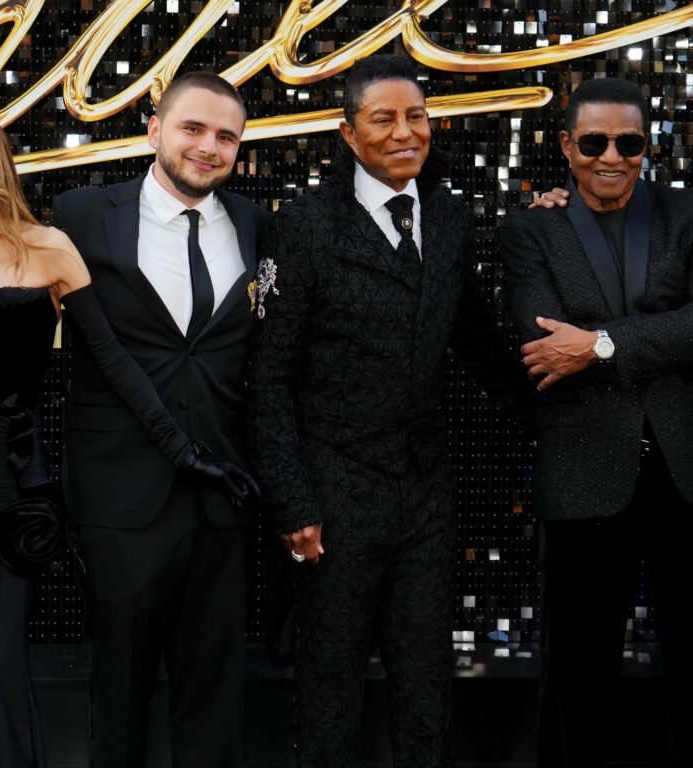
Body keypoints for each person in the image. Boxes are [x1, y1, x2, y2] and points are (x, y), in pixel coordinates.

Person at [0, 102, 254, 768]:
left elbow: (114, 362)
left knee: (1, 655)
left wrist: (185, 453)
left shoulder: (50, 248)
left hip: (10, 484)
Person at [245, 55, 531, 767]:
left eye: (417, 117)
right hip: (332, 496)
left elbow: (472, 335)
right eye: (384, 119)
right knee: (330, 687)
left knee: (427, 682)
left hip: (424, 492)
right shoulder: (305, 225)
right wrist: (292, 503)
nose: (405, 133)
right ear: (349, 133)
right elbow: (268, 378)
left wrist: (551, 403)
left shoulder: (450, 215)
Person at [53, 72, 269, 767]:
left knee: (216, 696)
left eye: (226, 136)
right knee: (120, 693)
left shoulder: (258, 225)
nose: (209, 147)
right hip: (121, 496)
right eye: (192, 128)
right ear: (154, 130)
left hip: (224, 494)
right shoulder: (82, 214)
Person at [500, 77, 693, 767]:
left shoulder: (685, 212)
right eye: (594, 142)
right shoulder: (529, 228)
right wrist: (661, 337)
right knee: (577, 673)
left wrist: (602, 344)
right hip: (582, 473)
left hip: (684, 468)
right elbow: (540, 341)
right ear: (565, 145)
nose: (612, 156)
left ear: (648, 147)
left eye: (629, 142)